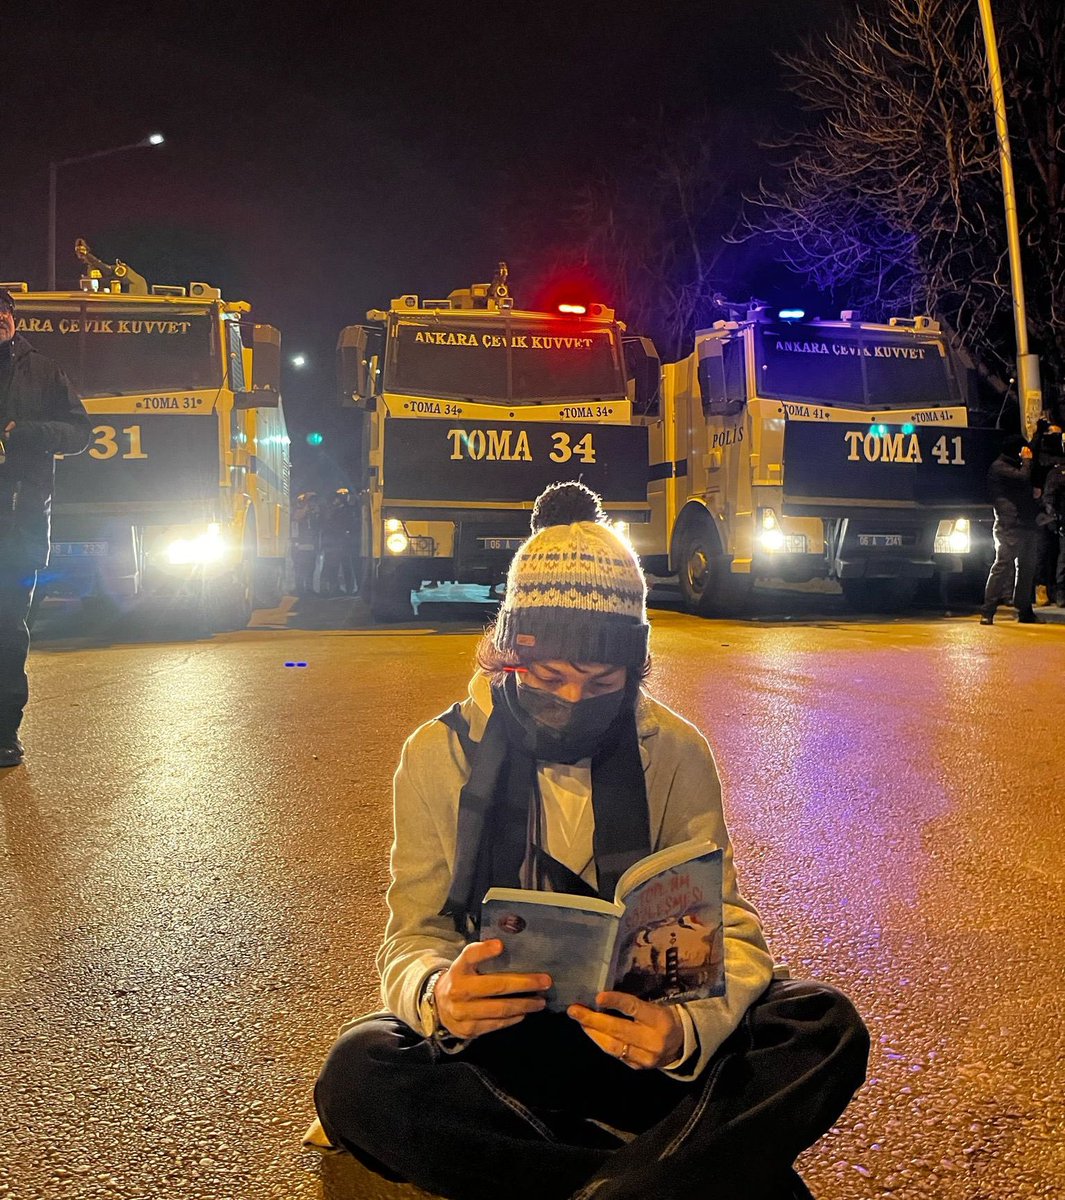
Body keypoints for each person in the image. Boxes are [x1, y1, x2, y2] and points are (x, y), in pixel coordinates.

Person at [313, 480, 869, 1200]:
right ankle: (673, 1172)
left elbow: (725, 924)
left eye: (602, 680)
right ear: (507, 654)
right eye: (549, 677)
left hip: (641, 1043)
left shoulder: (672, 750)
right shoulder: (438, 754)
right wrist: (439, 995)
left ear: (634, 669)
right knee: (359, 1069)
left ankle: (591, 1176)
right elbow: (414, 933)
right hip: (505, 1043)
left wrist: (683, 1030)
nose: (572, 700)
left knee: (821, 1026)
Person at [0, 287, 92, 766]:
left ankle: (3, 735)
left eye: (4, 311)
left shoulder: (44, 370)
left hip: (18, 524)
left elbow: (80, 432)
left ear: (13, 318)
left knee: (7, 631)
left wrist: (28, 432)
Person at [980, 434, 1042, 625]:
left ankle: (1024, 610)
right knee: (1003, 565)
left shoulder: (1012, 465)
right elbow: (1023, 478)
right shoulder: (1000, 467)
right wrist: (1026, 461)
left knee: (1027, 567)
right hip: (1009, 524)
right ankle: (988, 611)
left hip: (1025, 522)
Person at [1042, 447, 1065, 607]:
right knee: (1063, 559)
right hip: (1064, 521)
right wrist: (1054, 520)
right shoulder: (1058, 473)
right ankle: (1061, 593)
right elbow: (1049, 497)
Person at [290, 491, 321, 597]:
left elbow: (318, 526)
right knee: (299, 568)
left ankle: (309, 588)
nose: (313, 503)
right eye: (310, 501)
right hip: (300, 546)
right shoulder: (298, 511)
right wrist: (306, 507)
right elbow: (296, 519)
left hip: (311, 545)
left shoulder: (315, 513)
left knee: (310, 568)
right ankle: (299, 589)